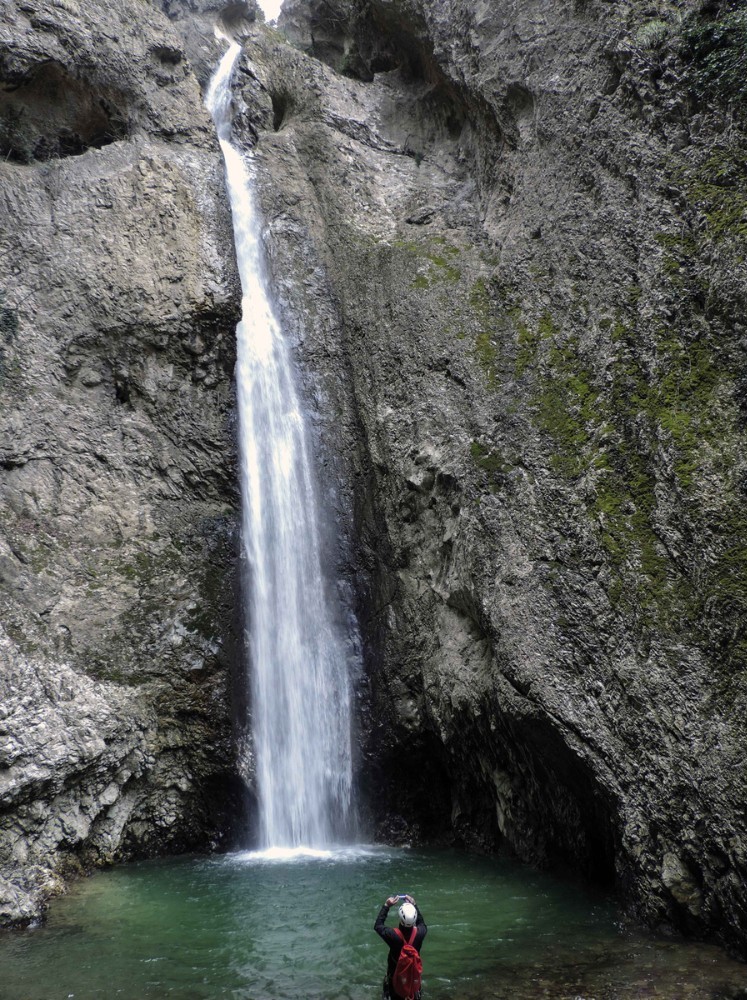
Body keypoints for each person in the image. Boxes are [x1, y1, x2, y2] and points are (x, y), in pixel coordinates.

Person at [374, 893, 427, 1000]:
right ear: (415, 916)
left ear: (400, 917)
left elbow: (378, 925)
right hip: (412, 981)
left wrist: (386, 906)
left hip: (395, 981)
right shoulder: (421, 933)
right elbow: (421, 922)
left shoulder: (393, 935)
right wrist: (414, 904)